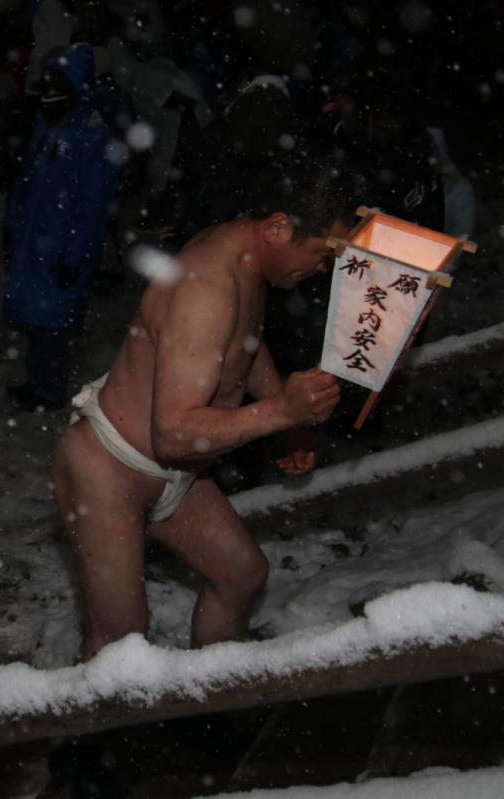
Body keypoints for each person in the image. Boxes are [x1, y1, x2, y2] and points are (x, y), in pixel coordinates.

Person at [50, 161, 357, 661]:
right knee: (119, 643)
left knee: (241, 574)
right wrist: (281, 411)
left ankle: (209, 706)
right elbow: (172, 432)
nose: (325, 269)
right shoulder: (206, 287)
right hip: (110, 468)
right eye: (324, 255)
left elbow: (245, 345)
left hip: (179, 476)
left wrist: (289, 423)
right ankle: (87, 740)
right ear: (278, 227)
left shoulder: (248, 259)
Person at [3, 43, 121, 410]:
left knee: (55, 324)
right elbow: (26, 183)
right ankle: (38, 382)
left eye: (59, 83)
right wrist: (13, 225)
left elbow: (94, 205)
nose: (50, 90)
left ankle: (50, 391)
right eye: (48, 81)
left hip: (60, 250)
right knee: (37, 322)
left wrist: (74, 254)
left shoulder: (92, 135)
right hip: (35, 243)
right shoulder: (48, 124)